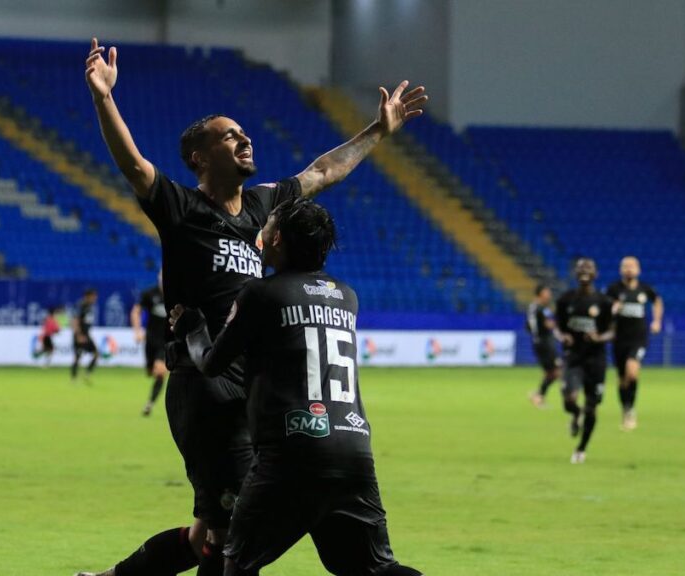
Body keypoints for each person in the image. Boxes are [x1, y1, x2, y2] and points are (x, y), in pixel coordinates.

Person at [81, 37, 426, 576]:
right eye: (229, 135)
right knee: (231, 527)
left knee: (212, 532)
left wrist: (378, 130)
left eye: (243, 132)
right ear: (200, 156)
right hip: (203, 382)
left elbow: (323, 171)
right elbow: (133, 165)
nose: (244, 139)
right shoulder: (181, 207)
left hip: (253, 390)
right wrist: (104, 98)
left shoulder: (265, 205)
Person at [170, 198, 421, 576]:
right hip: (353, 448)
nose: (262, 233)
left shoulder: (261, 293)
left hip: (290, 452)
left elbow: (212, 363)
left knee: (235, 564)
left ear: (279, 240)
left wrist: (193, 328)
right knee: (376, 568)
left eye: (268, 227)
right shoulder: (347, 296)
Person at [556, 258, 614, 464]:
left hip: (596, 360)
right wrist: (562, 336)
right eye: (581, 269)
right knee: (569, 399)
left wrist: (600, 337)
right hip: (573, 357)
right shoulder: (565, 300)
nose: (584, 272)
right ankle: (575, 414)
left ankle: (581, 448)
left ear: (595, 274)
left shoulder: (604, 302)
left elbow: (612, 331)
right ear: (575, 273)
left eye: (589, 269)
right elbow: (557, 326)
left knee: (592, 407)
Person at [605, 256, 663, 431]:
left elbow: (658, 301)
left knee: (632, 372)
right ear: (621, 270)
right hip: (619, 339)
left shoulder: (645, 289)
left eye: (632, 266)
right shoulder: (613, 289)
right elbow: (604, 309)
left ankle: (631, 410)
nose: (629, 269)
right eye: (625, 266)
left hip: (638, 338)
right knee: (622, 379)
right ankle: (626, 409)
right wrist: (612, 310)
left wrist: (656, 321)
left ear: (638, 270)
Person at [131, 272, 168, 416]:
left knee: (160, 372)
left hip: (166, 341)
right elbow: (136, 311)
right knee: (149, 372)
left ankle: (149, 404)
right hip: (150, 339)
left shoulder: (177, 294)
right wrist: (137, 330)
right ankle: (150, 368)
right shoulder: (149, 294)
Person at [527, 283, 560, 407]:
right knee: (556, 371)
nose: (549, 295)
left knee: (551, 372)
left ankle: (539, 395)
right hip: (544, 343)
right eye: (547, 292)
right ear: (540, 294)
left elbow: (528, 326)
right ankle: (538, 395)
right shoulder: (540, 308)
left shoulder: (534, 308)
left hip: (541, 342)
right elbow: (547, 324)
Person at [72, 289, 99, 383]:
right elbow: (75, 320)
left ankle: (87, 374)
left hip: (87, 335)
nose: (95, 298)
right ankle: (74, 378)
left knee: (96, 353)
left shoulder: (90, 307)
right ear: (88, 296)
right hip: (79, 334)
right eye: (94, 296)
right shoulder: (81, 305)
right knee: (78, 356)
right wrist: (79, 335)